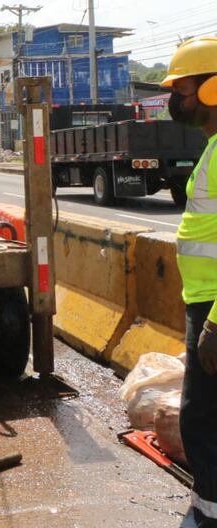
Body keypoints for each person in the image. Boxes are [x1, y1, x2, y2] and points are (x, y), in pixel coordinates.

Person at [162, 36, 217, 528]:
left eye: (182, 88)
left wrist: (215, 324)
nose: (174, 98)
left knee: (202, 420)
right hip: (205, 300)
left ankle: (208, 515)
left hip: (215, 307)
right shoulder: (214, 146)